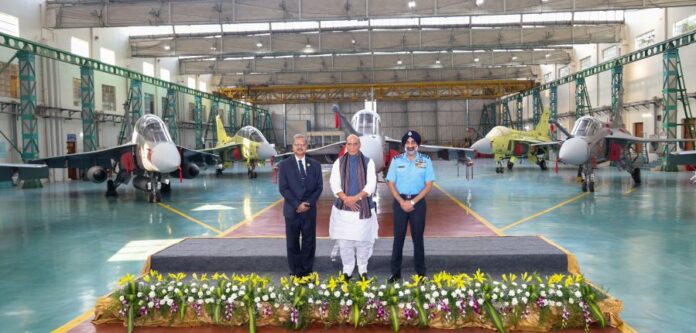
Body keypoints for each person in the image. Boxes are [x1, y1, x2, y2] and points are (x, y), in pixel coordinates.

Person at [385, 130, 435, 283]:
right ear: (404, 145)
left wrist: (412, 202)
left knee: (418, 239)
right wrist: (401, 202)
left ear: (418, 145)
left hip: (418, 203)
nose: (410, 145)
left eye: (413, 143)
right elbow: (390, 183)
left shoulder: (426, 161)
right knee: (398, 238)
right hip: (399, 202)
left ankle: (420, 273)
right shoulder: (396, 160)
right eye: (408, 143)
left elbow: (428, 185)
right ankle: (395, 273)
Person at [329, 134, 378, 281]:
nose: (352, 147)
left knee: (363, 241)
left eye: (354, 144)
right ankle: (347, 269)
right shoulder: (339, 162)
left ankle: (363, 269)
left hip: (362, 208)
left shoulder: (369, 163)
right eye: (349, 144)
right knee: (345, 242)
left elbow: (371, 185)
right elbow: (334, 183)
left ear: (359, 145)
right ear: (346, 145)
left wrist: (355, 198)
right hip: (343, 209)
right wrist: (345, 199)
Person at [278, 134, 323, 277]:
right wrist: (297, 204)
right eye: (297, 144)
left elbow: (319, 187)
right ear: (292, 147)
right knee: (292, 242)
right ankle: (296, 271)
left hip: (309, 211)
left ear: (306, 147)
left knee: (309, 242)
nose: (299, 147)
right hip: (292, 210)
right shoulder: (284, 165)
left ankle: (307, 271)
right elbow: (283, 188)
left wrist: (308, 203)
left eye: (302, 144)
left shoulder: (315, 165)